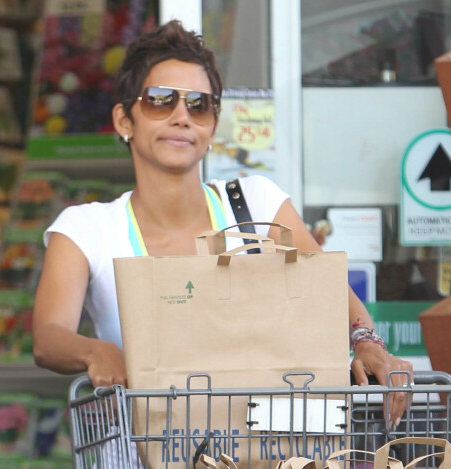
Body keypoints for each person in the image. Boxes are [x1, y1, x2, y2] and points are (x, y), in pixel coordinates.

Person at [33, 19, 412, 428]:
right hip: (146, 450)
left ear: (212, 127)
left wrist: (366, 341)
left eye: (199, 104)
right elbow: (49, 336)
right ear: (125, 120)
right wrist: (95, 351)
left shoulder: (256, 203)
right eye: (161, 99)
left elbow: (329, 289)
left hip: (267, 445)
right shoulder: (88, 228)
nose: (182, 117)